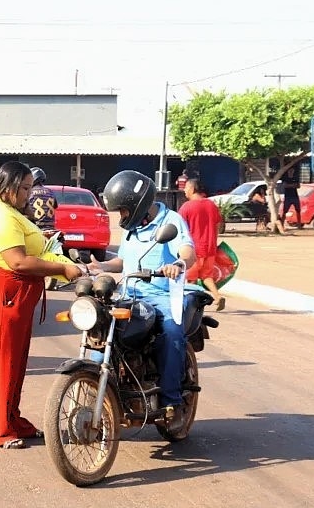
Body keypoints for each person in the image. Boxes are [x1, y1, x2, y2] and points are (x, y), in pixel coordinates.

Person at [0, 161, 83, 449]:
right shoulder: (1, 215)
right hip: (3, 291)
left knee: (14, 362)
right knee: (1, 362)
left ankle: (11, 419)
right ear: (8, 186)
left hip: (11, 292)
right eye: (24, 188)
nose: (29, 195)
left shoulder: (7, 210)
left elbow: (20, 248)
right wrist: (62, 270)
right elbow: (17, 261)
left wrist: (40, 241)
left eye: (30, 188)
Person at [91, 170, 197, 426]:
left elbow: (188, 251)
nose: (122, 217)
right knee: (100, 329)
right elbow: (124, 262)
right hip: (129, 294)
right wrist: (101, 266)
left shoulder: (169, 221)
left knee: (171, 332)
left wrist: (179, 264)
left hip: (161, 294)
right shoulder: (133, 228)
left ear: (137, 205)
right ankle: (96, 388)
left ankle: (172, 401)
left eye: (123, 211)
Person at [180, 177, 226, 311]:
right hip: (210, 248)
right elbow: (218, 225)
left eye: (186, 188)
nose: (184, 191)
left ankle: (192, 307)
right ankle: (217, 296)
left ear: (193, 189)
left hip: (194, 250)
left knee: (191, 279)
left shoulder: (186, 207)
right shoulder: (211, 205)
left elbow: (180, 228)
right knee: (207, 276)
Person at [26, 166, 58, 231]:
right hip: (51, 228)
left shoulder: (30, 192)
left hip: (35, 228)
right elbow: (55, 206)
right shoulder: (50, 192)